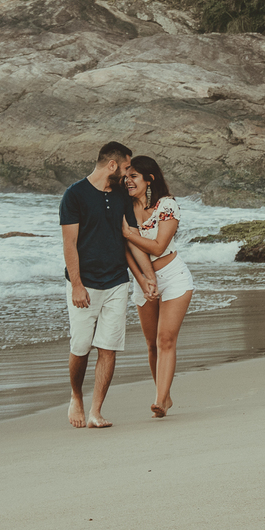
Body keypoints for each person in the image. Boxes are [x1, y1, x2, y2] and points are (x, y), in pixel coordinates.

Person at [59, 141, 155, 428]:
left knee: (108, 347)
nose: (127, 175)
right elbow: (69, 243)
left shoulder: (121, 196)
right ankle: (76, 396)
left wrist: (145, 277)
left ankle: (96, 411)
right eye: (125, 168)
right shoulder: (74, 195)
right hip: (85, 283)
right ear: (112, 165)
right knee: (81, 345)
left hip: (116, 281)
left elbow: (131, 237)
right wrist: (77, 285)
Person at [122, 156, 194, 418]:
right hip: (143, 280)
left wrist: (128, 233)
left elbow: (159, 246)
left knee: (165, 339)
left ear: (149, 180)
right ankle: (165, 395)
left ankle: (159, 400)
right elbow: (126, 252)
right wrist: (143, 280)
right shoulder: (125, 208)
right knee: (152, 343)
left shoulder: (167, 205)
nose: (128, 181)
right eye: (126, 177)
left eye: (134, 176)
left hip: (173, 277)